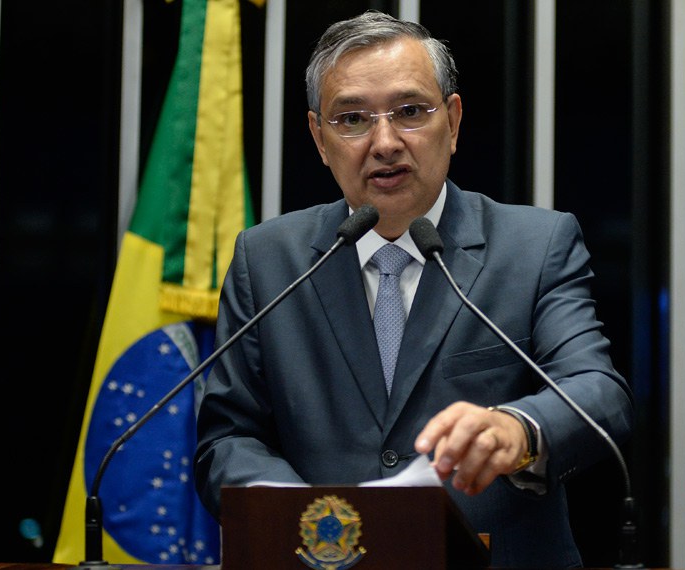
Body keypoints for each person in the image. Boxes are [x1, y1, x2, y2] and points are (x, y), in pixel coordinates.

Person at [194, 10, 633, 568]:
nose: (384, 142)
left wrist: (517, 429)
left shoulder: (534, 246)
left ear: (453, 121)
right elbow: (228, 439)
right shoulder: (267, 260)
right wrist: (309, 520)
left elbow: (598, 392)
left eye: (409, 112)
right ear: (319, 138)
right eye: (352, 119)